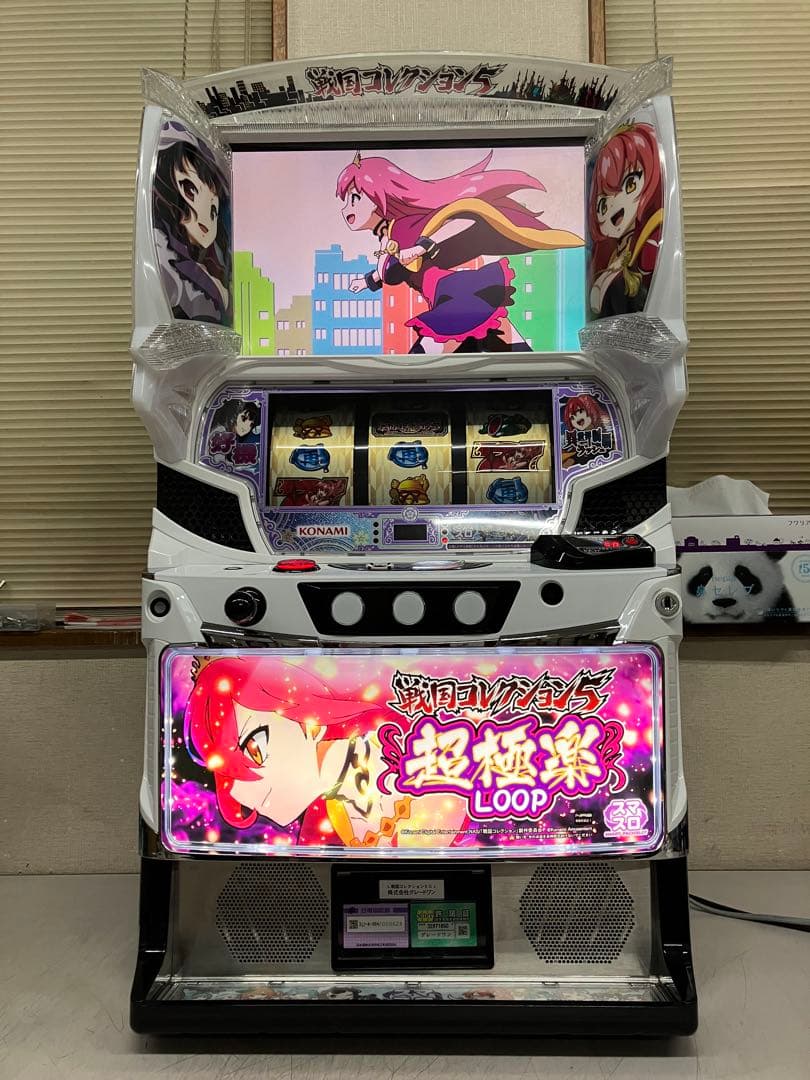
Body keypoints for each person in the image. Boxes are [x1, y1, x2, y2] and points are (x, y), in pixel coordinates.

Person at [184, 656, 466, 847]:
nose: (242, 794)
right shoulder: (319, 825)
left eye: (255, 747)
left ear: (309, 723)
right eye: (229, 774)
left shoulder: (414, 750)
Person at [336, 150, 583, 353]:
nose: (347, 209)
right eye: (346, 201)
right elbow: (390, 270)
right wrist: (366, 281)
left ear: (379, 196)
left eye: (355, 199)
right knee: (510, 349)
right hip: (456, 298)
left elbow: (463, 219)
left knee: (417, 368)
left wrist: (421, 247)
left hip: (455, 298)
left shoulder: (404, 227)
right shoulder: (390, 235)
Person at [153, 120, 232, 323]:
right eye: (190, 190)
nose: (206, 219)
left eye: (213, 211)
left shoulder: (212, 268)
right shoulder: (161, 251)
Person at [588, 123, 663, 318]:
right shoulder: (611, 253)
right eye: (603, 205)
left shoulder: (649, 243)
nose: (615, 206)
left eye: (630, 184)